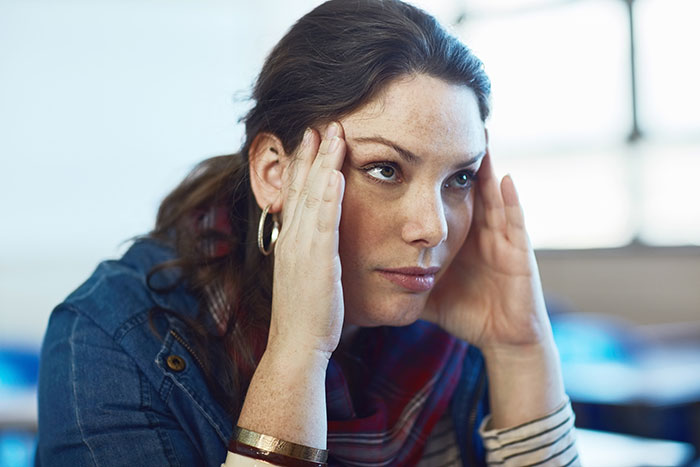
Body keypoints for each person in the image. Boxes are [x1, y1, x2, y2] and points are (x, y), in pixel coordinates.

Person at [36, 0, 579, 465]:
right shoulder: (109, 340)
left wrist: (520, 348)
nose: (433, 227)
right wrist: (298, 352)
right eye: (385, 169)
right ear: (275, 172)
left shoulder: (453, 333)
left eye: (459, 178)